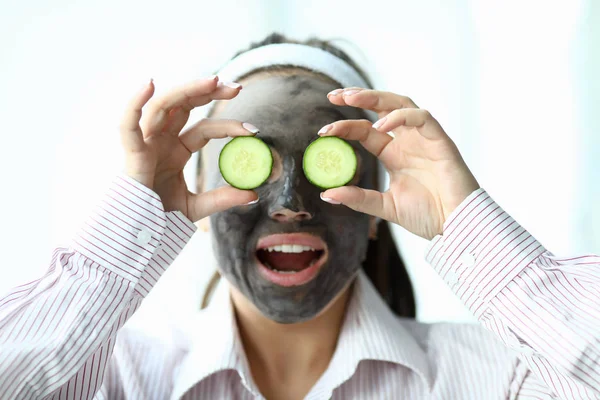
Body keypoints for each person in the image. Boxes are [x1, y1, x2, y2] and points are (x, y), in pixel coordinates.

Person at [0, 33, 598, 400]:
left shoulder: (492, 380)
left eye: (327, 165)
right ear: (198, 200)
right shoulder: (122, 379)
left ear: (376, 210)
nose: (289, 202)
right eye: (250, 165)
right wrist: (133, 222)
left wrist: (463, 219)